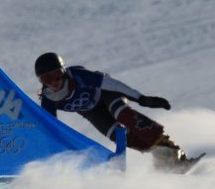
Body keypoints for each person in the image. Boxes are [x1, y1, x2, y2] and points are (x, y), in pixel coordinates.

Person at [34, 52, 197, 171]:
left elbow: (112, 84)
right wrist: (51, 152)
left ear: (63, 71)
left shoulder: (78, 76)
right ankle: (161, 156)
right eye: (47, 79)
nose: (53, 82)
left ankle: (173, 151)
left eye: (56, 75)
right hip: (91, 111)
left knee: (123, 114)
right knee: (119, 136)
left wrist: (140, 98)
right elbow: (50, 126)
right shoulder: (48, 99)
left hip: (106, 94)